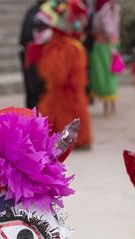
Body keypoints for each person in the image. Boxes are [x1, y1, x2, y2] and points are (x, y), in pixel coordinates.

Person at [34, 0, 93, 148]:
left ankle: (68, 138)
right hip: (64, 48)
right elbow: (73, 25)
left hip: (66, 47)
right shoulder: (67, 6)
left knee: (66, 99)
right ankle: (67, 138)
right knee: (63, 97)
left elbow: (78, 25)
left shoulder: (69, 6)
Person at [88, 0, 120, 116]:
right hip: (108, 44)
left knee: (105, 74)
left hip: (104, 45)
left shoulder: (106, 7)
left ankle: (109, 105)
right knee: (109, 74)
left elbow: (107, 27)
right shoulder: (109, 7)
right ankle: (110, 105)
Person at [19, 0, 45, 108]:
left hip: (44, 58)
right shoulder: (32, 11)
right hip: (30, 56)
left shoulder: (52, 11)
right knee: (31, 90)